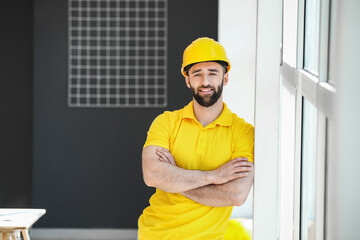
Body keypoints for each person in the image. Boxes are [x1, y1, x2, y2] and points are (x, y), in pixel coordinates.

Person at [138, 37, 254, 240]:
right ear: (187, 79)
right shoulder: (166, 122)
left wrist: (175, 179)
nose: (205, 81)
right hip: (154, 234)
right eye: (197, 74)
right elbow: (152, 175)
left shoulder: (243, 132)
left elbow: (235, 194)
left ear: (225, 78)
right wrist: (214, 176)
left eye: (213, 73)